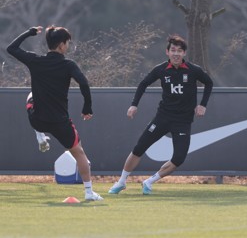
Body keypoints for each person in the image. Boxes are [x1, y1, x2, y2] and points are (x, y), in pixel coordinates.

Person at [108, 34, 213, 195]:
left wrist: (203, 105)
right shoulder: (161, 69)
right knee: (139, 148)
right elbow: (143, 84)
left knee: (178, 158)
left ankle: (149, 182)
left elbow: (209, 82)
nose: (176, 53)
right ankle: (121, 182)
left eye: (179, 51)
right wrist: (134, 105)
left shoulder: (193, 70)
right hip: (163, 117)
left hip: (183, 121)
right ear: (167, 52)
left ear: (184, 53)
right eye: (173, 50)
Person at [7, 26, 103, 201]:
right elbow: (83, 83)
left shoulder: (35, 60)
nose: (68, 45)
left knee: (30, 97)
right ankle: (89, 192)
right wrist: (87, 107)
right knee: (80, 154)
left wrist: (29, 32)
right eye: (67, 43)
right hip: (60, 122)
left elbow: (11, 48)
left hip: (37, 120)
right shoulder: (68, 65)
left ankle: (40, 136)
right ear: (61, 45)